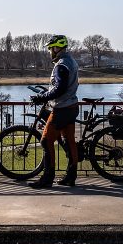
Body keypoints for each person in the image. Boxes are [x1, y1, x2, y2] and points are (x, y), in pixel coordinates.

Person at [28, 34, 80, 188]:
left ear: (57, 48)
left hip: (62, 108)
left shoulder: (61, 65)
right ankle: (71, 177)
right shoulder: (71, 61)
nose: (50, 51)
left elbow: (59, 88)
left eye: (51, 48)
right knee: (69, 142)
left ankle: (47, 178)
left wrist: (41, 97)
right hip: (72, 107)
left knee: (45, 140)